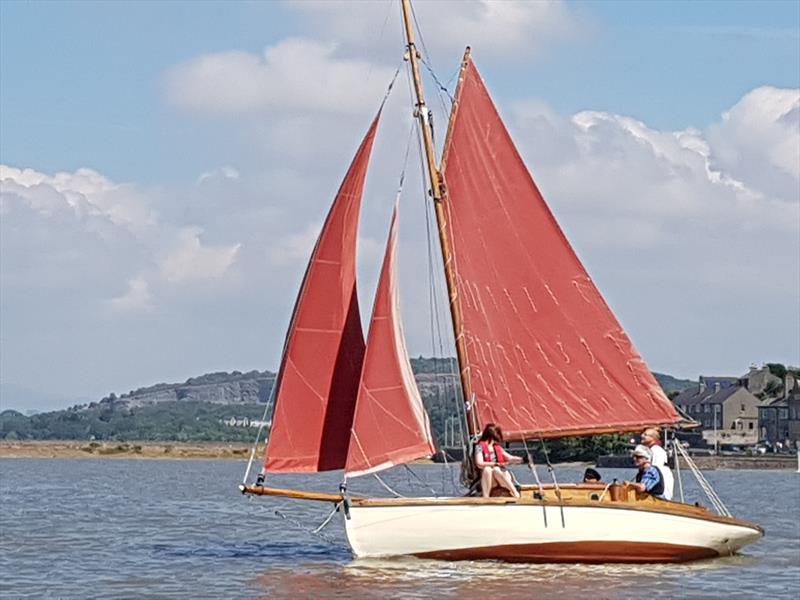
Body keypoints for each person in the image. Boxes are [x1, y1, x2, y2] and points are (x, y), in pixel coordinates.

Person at [473, 423, 523, 498]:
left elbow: (510, 458)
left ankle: (515, 493)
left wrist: (522, 459)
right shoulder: (480, 447)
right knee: (487, 469)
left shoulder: (497, 448)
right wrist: (495, 464)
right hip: (490, 479)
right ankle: (486, 497)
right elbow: (479, 463)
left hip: (501, 477)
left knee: (496, 470)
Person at [641, 427, 674, 500]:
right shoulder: (651, 450)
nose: (642, 436)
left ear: (653, 438)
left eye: (645, 435)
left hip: (661, 490)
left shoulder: (656, 451)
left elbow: (655, 471)